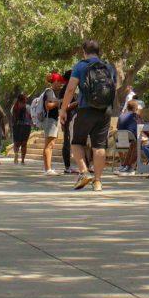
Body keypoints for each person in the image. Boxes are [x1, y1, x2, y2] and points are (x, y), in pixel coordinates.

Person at [58, 39, 118, 191]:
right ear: (99, 52)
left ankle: (84, 172)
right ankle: (97, 182)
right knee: (99, 146)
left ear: (84, 52)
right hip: (105, 111)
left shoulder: (81, 66)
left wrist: (63, 109)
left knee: (76, 142)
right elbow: (113, 89)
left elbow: (70, 89)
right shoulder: (109, 67)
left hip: (86, 109)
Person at [41, 72, 65, 175]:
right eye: (59, 82)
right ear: (55, 81)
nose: (60, 85)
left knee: (49, 144)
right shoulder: (50, 92)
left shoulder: (52, 92)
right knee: (49, 145)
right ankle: (48, 169)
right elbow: (48, 106)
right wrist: (59, 101)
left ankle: (47, 168)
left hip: (52, 120)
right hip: (50, 120)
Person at [114, 100, 141, 175]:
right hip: (130, 139)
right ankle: (130, 167)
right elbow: (141, 127)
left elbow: (117, 127)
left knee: (134, 143)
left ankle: (125, 165)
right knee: (138, 143)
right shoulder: (136, 116)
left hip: (120, 141)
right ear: (136, 108)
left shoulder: (121, 116)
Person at [60, 69, 78, 174]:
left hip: (71, 118)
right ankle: (67, 167)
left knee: (69, 142)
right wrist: (77, 102)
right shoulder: (66, 90)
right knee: (67, 142)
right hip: (68, 118)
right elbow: (65, 106)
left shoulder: (68, 89)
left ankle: (69, 166)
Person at [10, 92, 32, 164]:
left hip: (16, 126)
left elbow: (12, 115)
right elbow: (31, 116)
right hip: (26, 126)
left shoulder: (14, 107)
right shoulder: (28, 107)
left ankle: (16, 154)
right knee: (24, 143)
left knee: (16, 143)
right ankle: (22, 160)